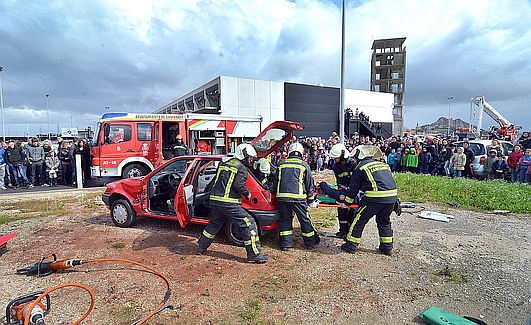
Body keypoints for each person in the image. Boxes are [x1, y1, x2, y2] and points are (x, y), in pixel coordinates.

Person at [197, 143, 269, 263]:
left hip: (215, 200)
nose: (251, 161)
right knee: (248, 223)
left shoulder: (224, 163)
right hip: (228, 203)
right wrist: (247, 194)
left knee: (214, 224)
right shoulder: (241, 168)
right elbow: (239, 185)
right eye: (250, 158)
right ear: (244, 155)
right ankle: (254, 254)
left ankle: (201, 247)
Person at [340, 145, 398, 256]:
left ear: (359, 157)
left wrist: (347, 203)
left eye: (355, 159)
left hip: (374, 197)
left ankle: (351, 245)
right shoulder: (383, 165)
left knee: (359, 220)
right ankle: (387, 248)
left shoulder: (360, 167)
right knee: (384, 222)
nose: (354, 161)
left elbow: (354, 189)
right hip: (391, 197)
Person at [275, 142, 320, 251]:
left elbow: (276, 182)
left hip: (282, 198)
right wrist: (311, 200)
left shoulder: (281, 164)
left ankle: (285, 244)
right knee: (304, 220)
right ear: (302, 153)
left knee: (285, 220)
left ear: (289, 152)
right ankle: (310, 243)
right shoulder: (304, 165)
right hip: (298, 198)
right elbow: (309, 184)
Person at [328, 143, 356, 238]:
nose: (334, 160)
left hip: (354, 191)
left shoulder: (353, 164)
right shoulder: (336, 166)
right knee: (341, 210)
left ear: (343, 156)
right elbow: (339, 181)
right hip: (343, 190)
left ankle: (350, 232)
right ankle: (343, 231)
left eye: (336, 158)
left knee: (353, 211)